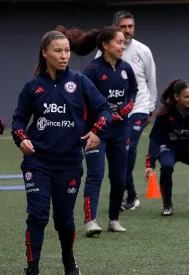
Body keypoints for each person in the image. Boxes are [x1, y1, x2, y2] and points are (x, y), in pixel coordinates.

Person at [11, 30, 112, 275]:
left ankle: (68, 259)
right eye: (58, 50)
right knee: (37, 215)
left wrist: (97, 131)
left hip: (69, 163)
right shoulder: (33, 85)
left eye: (67, 50)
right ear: (45, 53)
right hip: (38, 163)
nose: (64, 55)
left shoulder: (79, 81)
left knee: (64, 220)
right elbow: (17, 122)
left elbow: (104, 109)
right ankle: (32, 267)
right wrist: (22, 139)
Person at [57, 25, 138, 236]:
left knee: (120, 177)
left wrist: (127, 107)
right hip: (96, 131)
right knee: (95, 175)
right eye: (119, 42)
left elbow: (133, 92)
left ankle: (113, 219)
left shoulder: (126, 68)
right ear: (105, 45)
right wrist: (104, 115)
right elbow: (84, 101)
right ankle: (91, 221)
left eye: (123, 42)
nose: (123, 46)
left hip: (121, 131)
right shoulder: (92, 70)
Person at [96, 10, 158, 210]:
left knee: (129, 149)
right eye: (123, 27)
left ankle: (123, 190)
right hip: (114, 112)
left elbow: (150, 81)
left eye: (130, 26)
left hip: (138, 107)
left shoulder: (143, 51)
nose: (128, 31)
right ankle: (130, 193)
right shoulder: (102, 53)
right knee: (122, 151)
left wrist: (150, 108)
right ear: (115, 28)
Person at [144, 79, 189, 216]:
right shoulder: (165, 113)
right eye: (187, 97)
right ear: (177, 97)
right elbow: (155, 139)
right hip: (170, 147)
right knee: (166, 166)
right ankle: (167, 206)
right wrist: (150, 164)